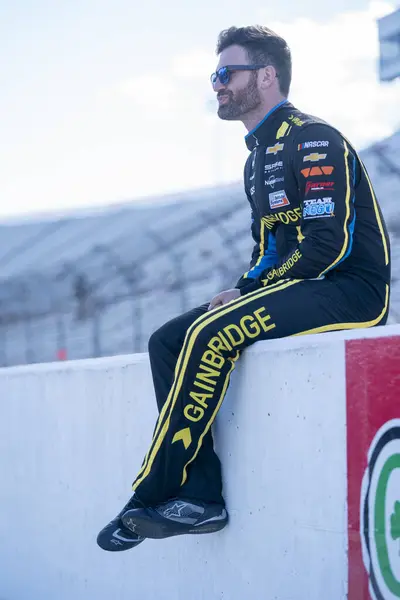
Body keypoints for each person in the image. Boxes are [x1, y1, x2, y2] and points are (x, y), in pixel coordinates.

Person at [97, 25, 391, 552]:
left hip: (349, 290)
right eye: (215, 76)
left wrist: (254, 291)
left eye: (225, 73)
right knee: (166, 339)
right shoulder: (256, 159)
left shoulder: (313, 138)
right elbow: (269, 250)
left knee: (211, 335)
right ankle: (202, 498)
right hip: (302, 286)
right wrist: (244, 286)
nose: (217, 85)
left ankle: (150, 491)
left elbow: (326, 246)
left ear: (267, 75)